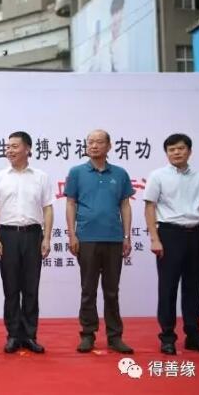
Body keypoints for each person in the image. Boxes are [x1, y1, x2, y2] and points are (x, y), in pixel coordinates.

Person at [144, 133, 199, 355]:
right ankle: (167, 336)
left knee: (194, 287)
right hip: (169, 234)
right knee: (168, 288)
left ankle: (193, 334)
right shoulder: (158, 176)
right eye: (171, 149)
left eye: (181, 148)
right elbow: (149, 207)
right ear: (167, 153)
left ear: (189, 151)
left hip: (196, 234)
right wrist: (155, 238)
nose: (176, 152)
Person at [65, 129, 134, 354]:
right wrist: (72, 234)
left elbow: (125, 205)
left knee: (112, 291)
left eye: (99, 142)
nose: (94, 146)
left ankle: (115, 336)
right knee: (88, 289)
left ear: (109, 146)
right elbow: (71, 203)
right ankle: (87, 334)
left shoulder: (120, 174)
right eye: (90, 142)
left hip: (114, 238)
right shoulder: (77, 172)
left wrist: (126, 236)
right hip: (86, 238)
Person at [0, 132, 53, 354]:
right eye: (8, 147)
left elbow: (48, 208)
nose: (10, 150)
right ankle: (13, 335)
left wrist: (47, 237)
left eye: (15, 146)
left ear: (28, 149)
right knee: (11, 287)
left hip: (33, 235)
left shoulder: (41, 177)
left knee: (31, 287)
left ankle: (30, 335)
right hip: (8, 235)